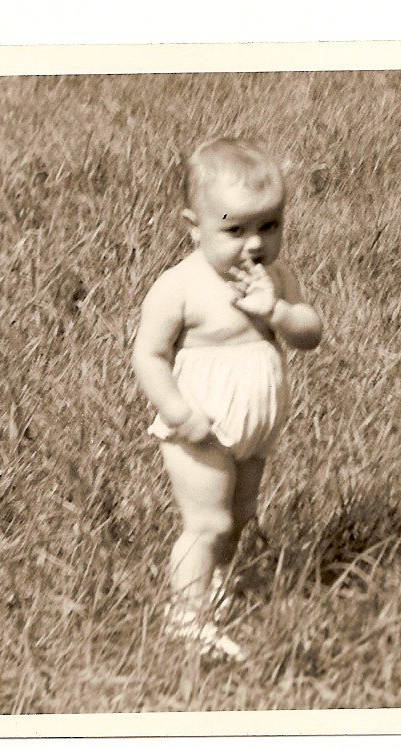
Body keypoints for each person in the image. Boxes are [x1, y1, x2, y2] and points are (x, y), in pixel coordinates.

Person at [131, 137, 324, 660]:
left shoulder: (277, 279)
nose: (255, 244)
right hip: (202, 427)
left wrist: (277, 313)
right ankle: (186, 619)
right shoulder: (181, 287)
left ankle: (218, 589)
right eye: (234, 229)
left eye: (269, 225)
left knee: (239, 519)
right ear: (194, 226)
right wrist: (178, 413)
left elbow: (310, 333)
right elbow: (147, 355)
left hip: (256, 429)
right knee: (207, 521)